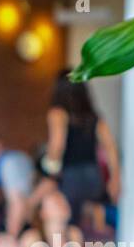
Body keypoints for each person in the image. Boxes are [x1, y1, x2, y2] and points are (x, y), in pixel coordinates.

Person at [44, 71, 120, 224]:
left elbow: (57, 145)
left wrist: (50, 171)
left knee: (68, 223)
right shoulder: (93, 116)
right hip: (94, 177)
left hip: (71, 176)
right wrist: (115, 178)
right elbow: (110, 147)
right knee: (89, 221)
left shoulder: (57, 112)